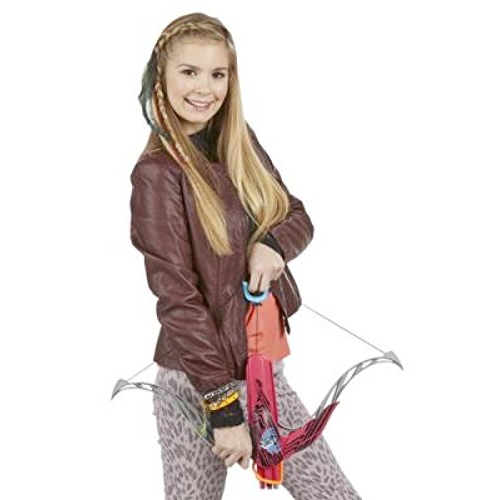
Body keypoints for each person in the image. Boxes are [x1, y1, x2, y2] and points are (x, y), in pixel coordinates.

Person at [129, 12, 362, 500]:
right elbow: (177, 298)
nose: (205, 88)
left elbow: (296, 215)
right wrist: (223, 408)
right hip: (198, 383)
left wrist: (271, 244)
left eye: (218, 74)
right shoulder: (157, 174)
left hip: (263, 371)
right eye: (189, 72)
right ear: (160, 77)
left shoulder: (238, 140)